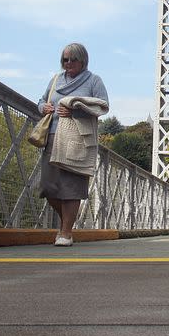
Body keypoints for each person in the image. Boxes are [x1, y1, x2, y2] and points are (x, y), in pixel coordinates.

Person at [37, 43, 108, 247]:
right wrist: (44, 107)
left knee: (71, 187)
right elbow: (41, 100)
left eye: (72, 59)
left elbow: (103, 106)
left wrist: (76, 111)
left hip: (77, 138)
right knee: (48, 188)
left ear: (83, 61)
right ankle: (67, 223)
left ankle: (66, 232)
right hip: (52, 136)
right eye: (64, 59)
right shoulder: (56, 80)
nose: (68, 63)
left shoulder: (94, 80)